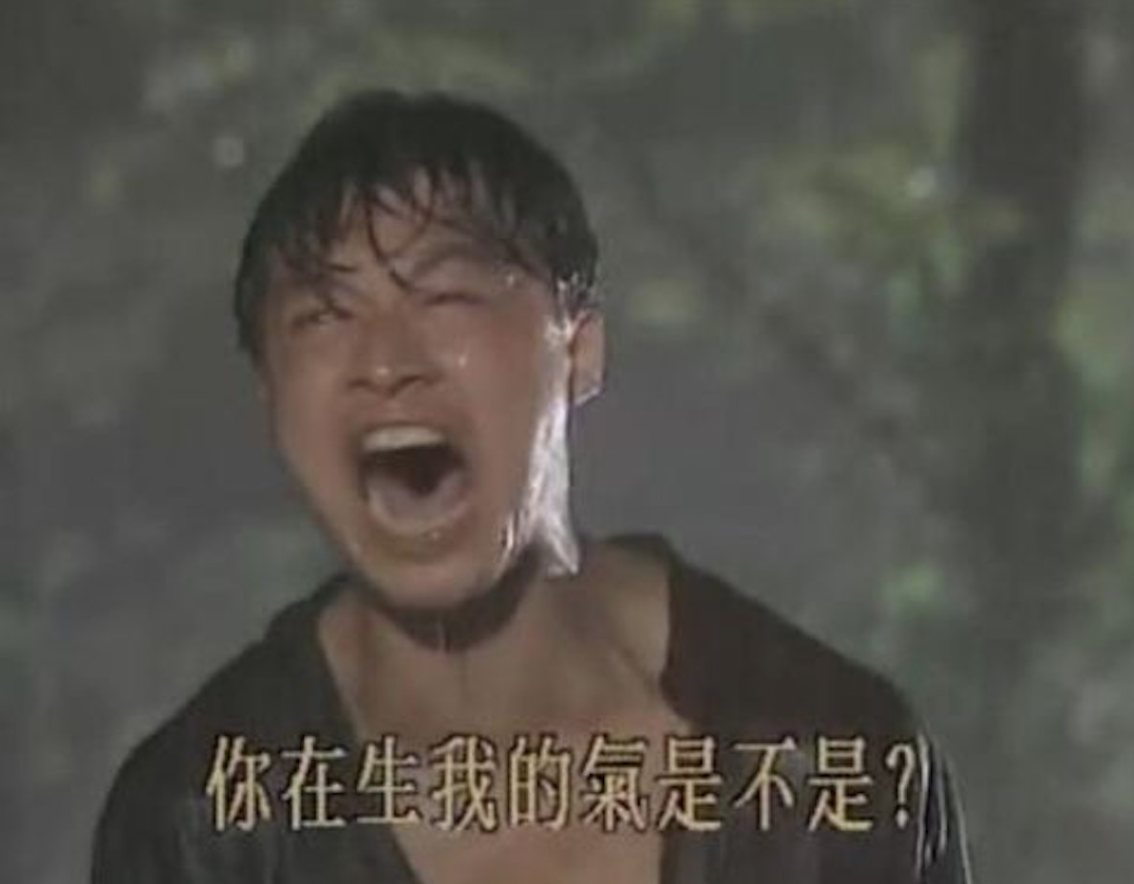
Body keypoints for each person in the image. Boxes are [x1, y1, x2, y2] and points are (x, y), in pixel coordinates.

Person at [91, 90, 972, 884]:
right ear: (270, 399)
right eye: (323, 315)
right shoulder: (202, 824)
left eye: (446, 296)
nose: (385, 363)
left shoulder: (824, 754)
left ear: (578, 349)